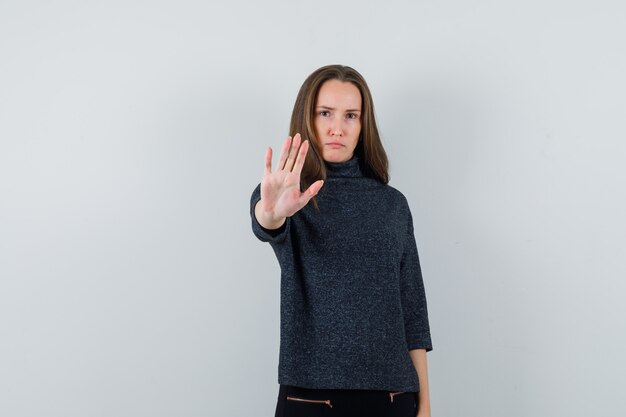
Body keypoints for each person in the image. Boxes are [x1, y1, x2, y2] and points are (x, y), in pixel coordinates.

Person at [249, 65, 433, 417]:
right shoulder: (288, 194)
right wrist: (271, 212)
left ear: (364, 124)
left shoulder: (393, 204)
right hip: (310, 398)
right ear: (308, 118)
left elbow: (412, 310)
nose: (338, 128)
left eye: (351, 115)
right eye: (325, 113)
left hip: (392, 396)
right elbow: (267, 222)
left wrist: (424, 404)